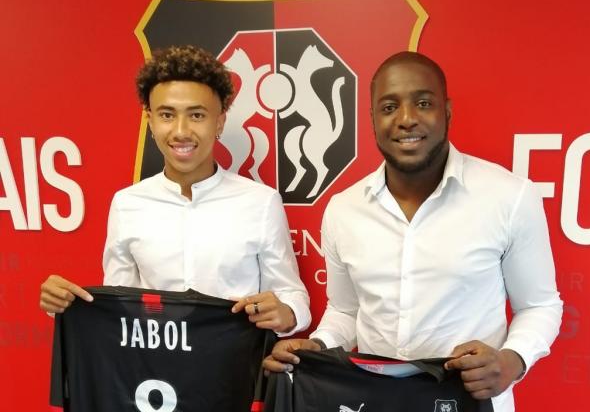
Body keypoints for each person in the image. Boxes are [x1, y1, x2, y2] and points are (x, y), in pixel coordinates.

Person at [263, 51, 563, 410]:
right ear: (372, 119)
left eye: (423, 103)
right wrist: (318, 345)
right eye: (389, 107)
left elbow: (540, 306)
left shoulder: (510, 197)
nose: (406, 119)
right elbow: (346, 310)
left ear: (447, 111)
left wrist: (512, 361)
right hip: (374, 402)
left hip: (470, 402)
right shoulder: (344, 209)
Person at [39, 45, 310, 336]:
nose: (181, 131)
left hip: (238, 362)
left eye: (197, 115)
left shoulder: (261, 202)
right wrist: (67, 306)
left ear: (219, 122)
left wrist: (287, 313)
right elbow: (119, 307)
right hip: (151, 364)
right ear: (150, 122)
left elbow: (292, 295)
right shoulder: (127, 204)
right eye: (167, 115)